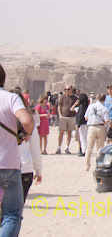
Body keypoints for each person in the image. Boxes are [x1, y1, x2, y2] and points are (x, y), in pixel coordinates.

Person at [0, 63, 35, 236]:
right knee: (12, 214)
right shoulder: (10, 98)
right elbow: (27, 121)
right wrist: (24, 135)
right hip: (8, 164)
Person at [19, 98, 43, 202]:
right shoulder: (29, 123)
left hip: (5, 167)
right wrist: (38, 170)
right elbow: (35, 149)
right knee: (16, 210)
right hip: (24, 168)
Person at [84, 93, 110, 171]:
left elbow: (86, 118)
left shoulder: (90, 106)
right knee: (100, 148)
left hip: (92, 127)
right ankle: (98, 165)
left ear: (97, 98)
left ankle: (86, 165)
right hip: (100, 127)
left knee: (89, 147)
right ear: (104, 100)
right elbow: (107, 120)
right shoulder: (105, 109)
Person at [56, 85, 78, 154]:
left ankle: (67, 147)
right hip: (63, 116)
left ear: (71, 89)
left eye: (68, 89)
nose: (66, 90)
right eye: (65, 89)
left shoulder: (75, 98)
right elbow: (59, 105)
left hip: (71, 117)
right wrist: (60, 114)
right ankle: (59, 147)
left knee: (69, 132)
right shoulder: (63, 96)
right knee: (61, 132)